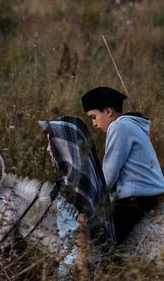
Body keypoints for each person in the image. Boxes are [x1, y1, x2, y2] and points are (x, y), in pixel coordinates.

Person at [81, 86, 164, 245]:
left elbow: (110, 172)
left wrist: (93, 199)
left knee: (104, 243)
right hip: (144, 196)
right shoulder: (131, 125)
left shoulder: (118, 127)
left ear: (108, 111)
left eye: (93, 116)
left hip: (135, 200)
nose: (93, 123)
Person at [39, 116, 115, 278]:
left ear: (65, 146)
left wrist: (81, 265)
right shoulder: (75, 183)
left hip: (74, 267)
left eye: (51, 143)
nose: (48, 149)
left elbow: (83, 224)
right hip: (70, 261)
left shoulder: (77, 189)